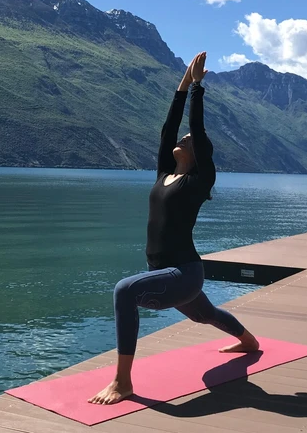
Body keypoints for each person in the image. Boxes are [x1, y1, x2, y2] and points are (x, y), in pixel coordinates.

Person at [88, 52, 258, 405]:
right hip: (168, 273)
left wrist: (198, 88)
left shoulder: (198, 181)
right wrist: (183, 83)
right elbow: (169, 128)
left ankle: (122, 382)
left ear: (199, 154)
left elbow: (197, 127)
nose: (182, 138)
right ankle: (249, 342)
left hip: (183, 272)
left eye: (189, 140)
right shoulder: (165, 174)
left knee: (124, 290)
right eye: (182, 138)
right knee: (205, 315)